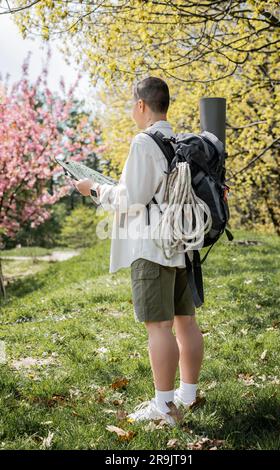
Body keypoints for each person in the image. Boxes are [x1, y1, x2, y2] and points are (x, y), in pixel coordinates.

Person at [74, 76, 204, 426]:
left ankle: (164, 408)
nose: (132, 109)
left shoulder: (144, 142)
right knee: (186, 321)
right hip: (182, 245)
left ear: (142, 105)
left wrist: (94, 190)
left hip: (152, 247)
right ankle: (187, 395)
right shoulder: (179, 141)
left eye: (133, 103)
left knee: (159, 327)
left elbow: (131, 199)